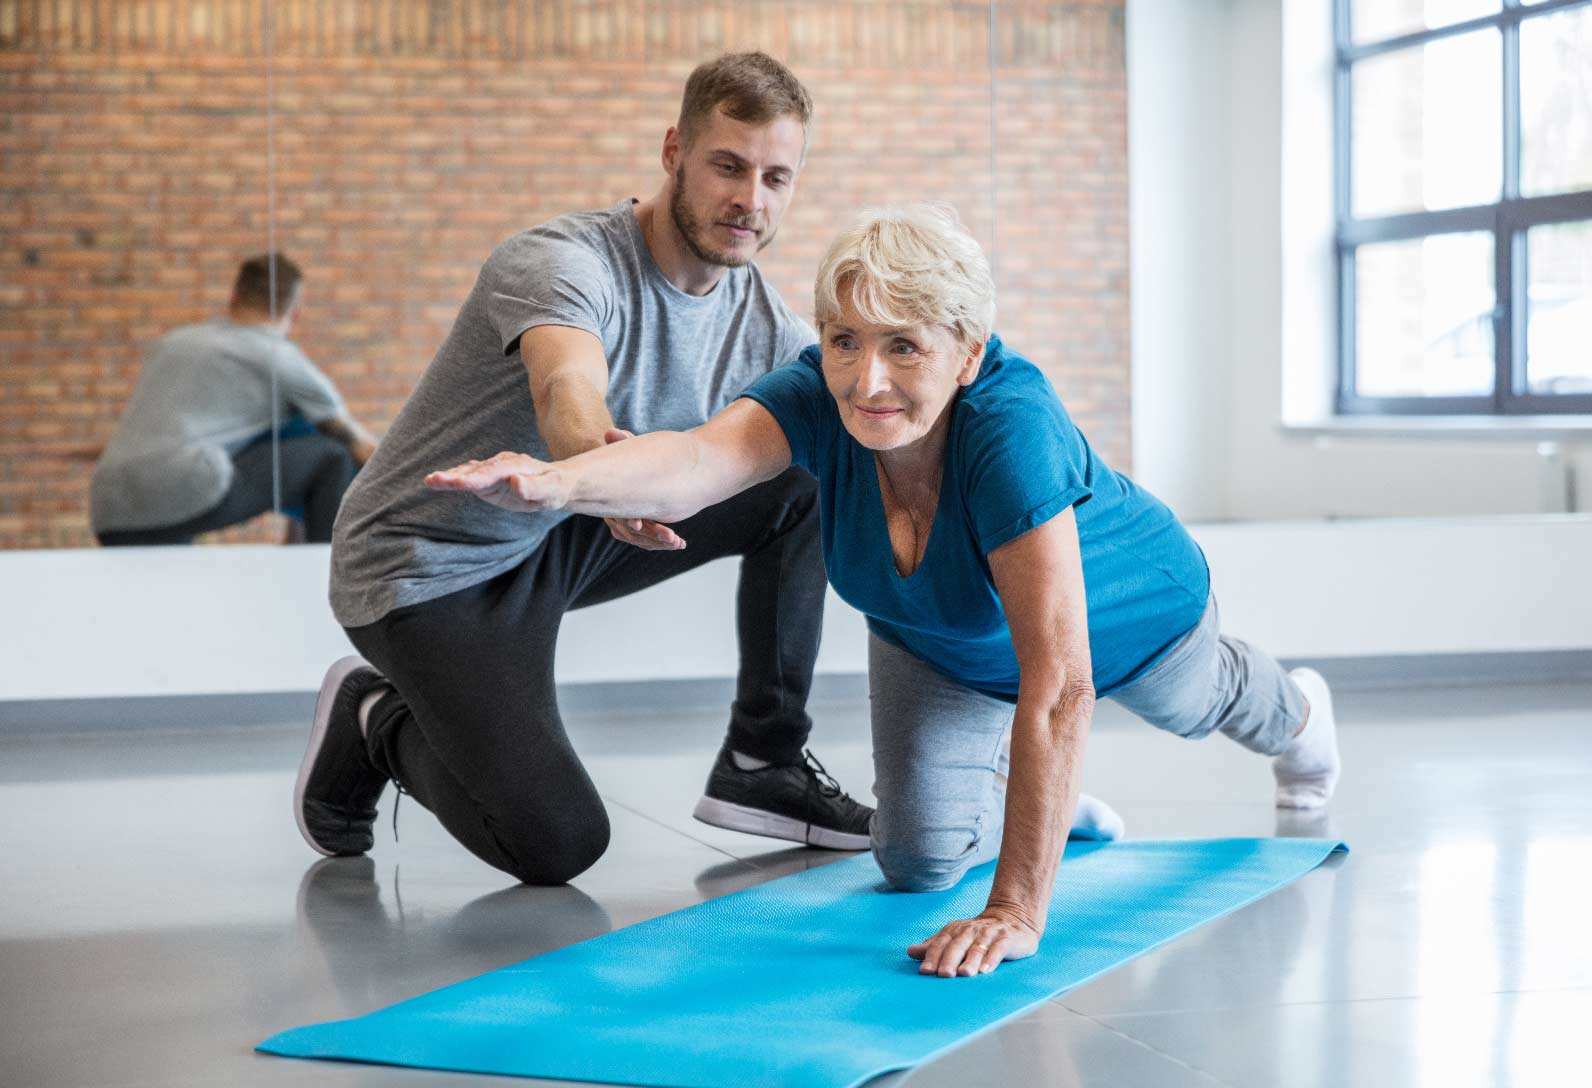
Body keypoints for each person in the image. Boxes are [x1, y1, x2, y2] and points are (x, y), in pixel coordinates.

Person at [424, 203, 1344, 978]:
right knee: (912, 864)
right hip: (936, 636)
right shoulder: (816, 397)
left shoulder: (1011, 432)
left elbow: (1062, 684)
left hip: (1129, 621)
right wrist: (560, 481)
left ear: (967, 353)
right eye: (843, 341)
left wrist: (1019, 908)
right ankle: (1053, 806)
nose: (867, 381)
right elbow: (699, 461)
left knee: (1197, 705)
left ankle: (1300, 714)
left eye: (905, 347)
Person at [294, 52, 873, 887]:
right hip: (425, 567)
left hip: (555, 536)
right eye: (728, 166)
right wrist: (582, 474)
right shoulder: (564, 261)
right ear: (674, 150)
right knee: (557, 844)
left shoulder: (764, 325)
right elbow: (569, 386)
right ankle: (375, 714)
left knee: (808, 473)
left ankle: (763, 762)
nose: (751, 200)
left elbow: (863, 419)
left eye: (777, 177)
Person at [90, 254, 378, 546]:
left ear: (234, 296)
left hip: (108, 507)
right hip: (176, 496)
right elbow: (360, 446)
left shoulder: (174, 343)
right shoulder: (279, 357)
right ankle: (325, 575)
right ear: (295, 313)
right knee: (331, 457)